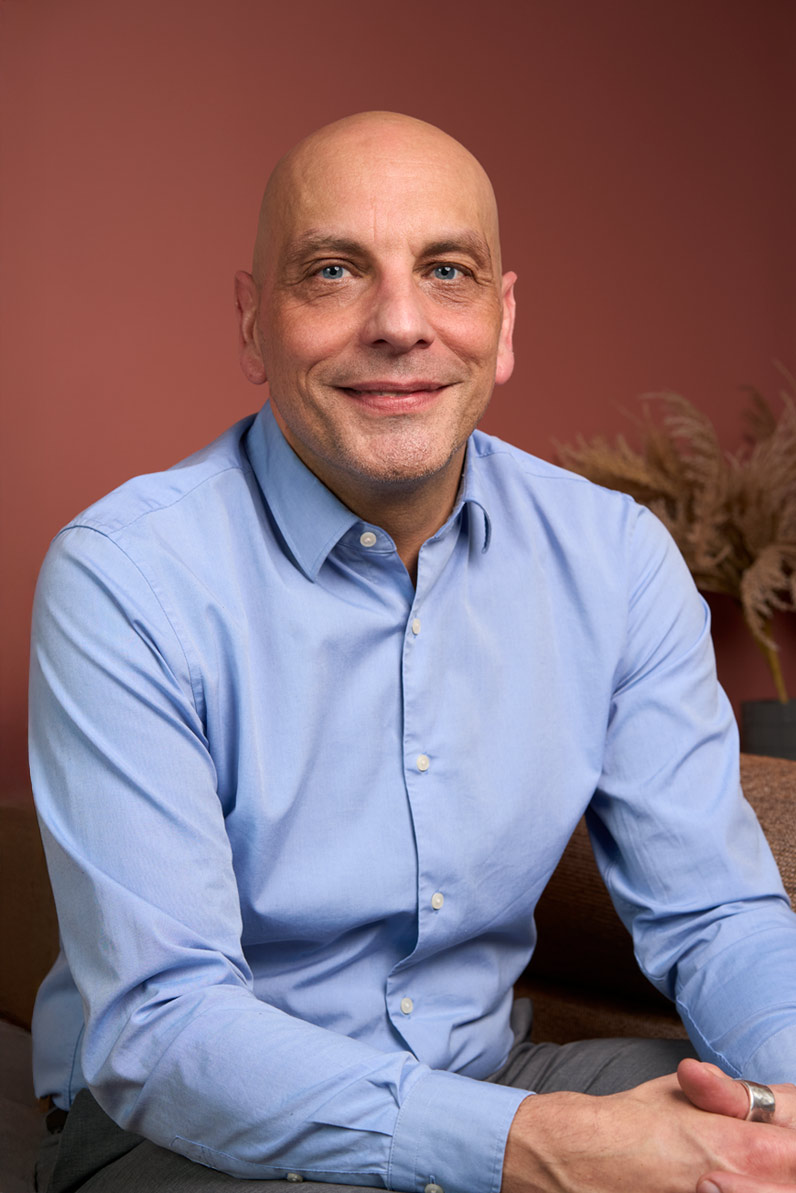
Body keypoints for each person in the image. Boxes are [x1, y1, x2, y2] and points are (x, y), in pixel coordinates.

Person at [29, 111, 796, 1193]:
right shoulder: (126, 574)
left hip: (488, 1069)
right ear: (253, 323)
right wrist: (541, 1147)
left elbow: (717, 917)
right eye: (334, 271)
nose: (400, 323)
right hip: (184, 1123)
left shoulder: (614, 557)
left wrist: (778, 1104)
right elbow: (165, 1029)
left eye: (447, 270)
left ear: (504, 317)